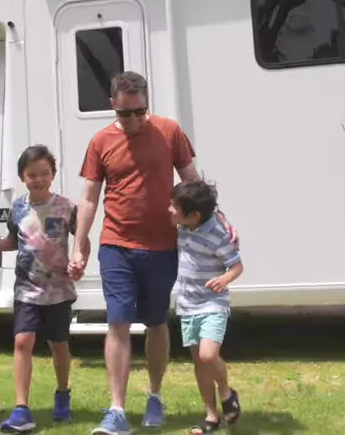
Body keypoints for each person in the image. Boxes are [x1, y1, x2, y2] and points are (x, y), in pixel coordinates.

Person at [68, 71, 238, 435]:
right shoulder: (101, 142)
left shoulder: (169, 131)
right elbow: (88, 197)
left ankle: (155, 396)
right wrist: (79, 242)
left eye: (139, 112)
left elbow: (193, 182)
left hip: (162, 245)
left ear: (147, 105)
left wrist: (218, 219)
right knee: (118, 322)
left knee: (156, 322)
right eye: (125, 114)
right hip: (116, 244)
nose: (132, 120)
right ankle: (116, 410)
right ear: (112, 105)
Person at [0, 145, 90, 433]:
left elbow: (81, 240)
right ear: (23, 177)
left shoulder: (65, 207)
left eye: (44, 173)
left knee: (58, 345)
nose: (38, 179)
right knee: (22, 341)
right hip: (26, 289)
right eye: (32, 174)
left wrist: (79, 258)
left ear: (53, 175)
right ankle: (21, 408)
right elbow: (14, 241)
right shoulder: (18, 208)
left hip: (59, 291)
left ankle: (62, 395)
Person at [169, 180, 244, 434]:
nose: (170, 210)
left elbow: (236, 266)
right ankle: (211, 415)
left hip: (213, 303)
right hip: (187, 305)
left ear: (194, 215)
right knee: (199, 364)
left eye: (174, 207)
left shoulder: (218, 235)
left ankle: (226, 392)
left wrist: (223, 279)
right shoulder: (183, 227)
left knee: (208, 355)